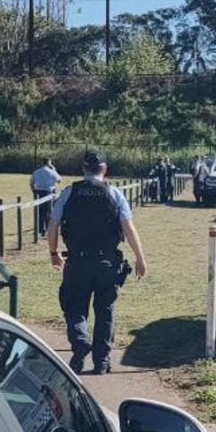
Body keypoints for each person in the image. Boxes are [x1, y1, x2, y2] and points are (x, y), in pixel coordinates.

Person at [47, 151, 147, 375]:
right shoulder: (114, 194)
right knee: (105, 311)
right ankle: (101, 362)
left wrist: (54, 252)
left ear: (83, 169)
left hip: (77, 261)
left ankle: (80, 341)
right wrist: (140, 258)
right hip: (107, 263)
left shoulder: (69, 192)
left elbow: (53, 226)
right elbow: (128, 229)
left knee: (73, 306)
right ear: (105, 170)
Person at [29, 157, 62, 236]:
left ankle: (41, 229)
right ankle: (48, 228)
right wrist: (54, 170)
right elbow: (59, 180)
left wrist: (34, 191)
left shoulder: (36, 172)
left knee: (40, 211)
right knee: (49, 211)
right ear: (49, 163)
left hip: (38, 192)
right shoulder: (51, 171)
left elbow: (31, 183)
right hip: (48, 192)